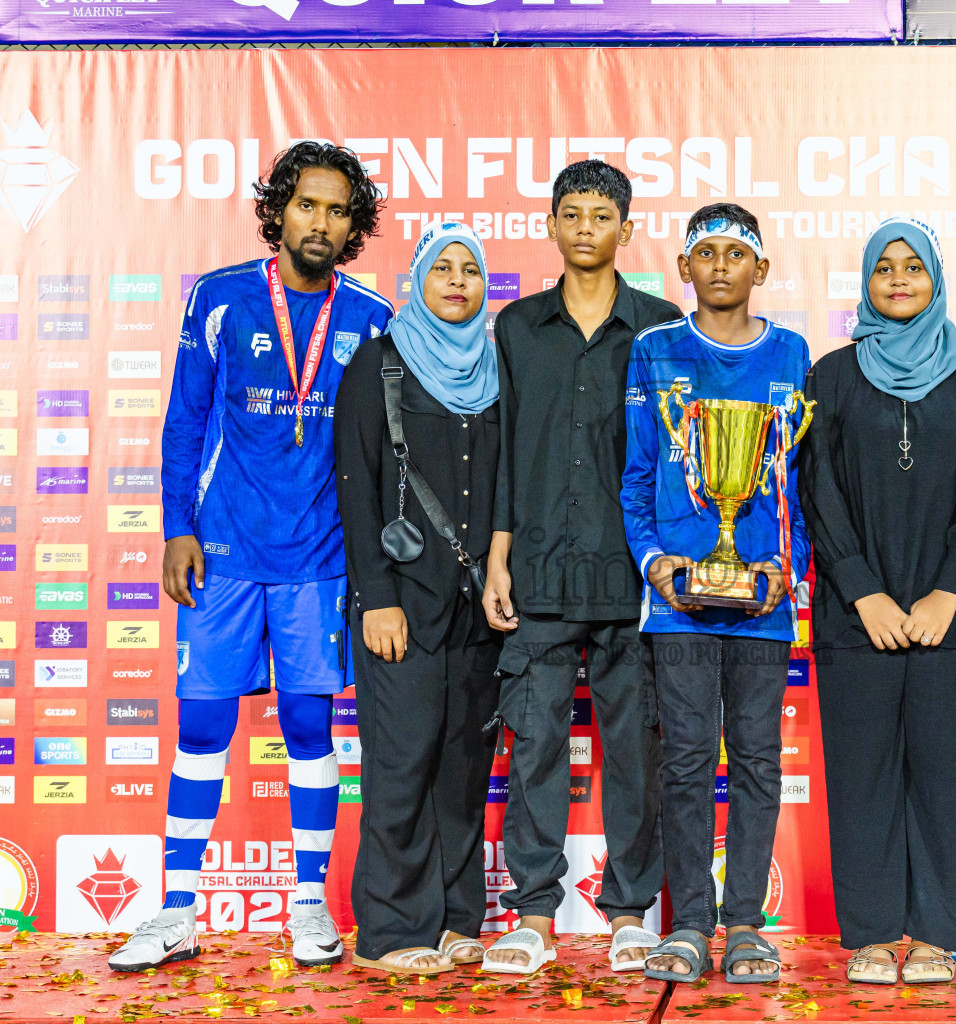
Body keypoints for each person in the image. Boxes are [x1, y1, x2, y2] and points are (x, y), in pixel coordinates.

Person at [109, 142, 391, 972]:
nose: (320, 223)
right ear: (278, 210)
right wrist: (176, 528)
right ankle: (176, 910)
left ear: (353, 225)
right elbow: (184, 420)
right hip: (224, 551)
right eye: (306, 205)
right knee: (202, 726)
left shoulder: (372, 316)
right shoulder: (220, 297)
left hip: (319, 554)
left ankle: (308, 904)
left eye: (337, 209)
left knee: (308, 726)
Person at [480, 160, 681, 975]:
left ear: (625, 229)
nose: (586, 227)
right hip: (536, 571)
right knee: (534, 747)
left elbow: (678, 460)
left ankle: (630, 912)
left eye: (602, 214)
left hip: (635, 577)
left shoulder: (662, 328)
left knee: (635, 750)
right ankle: (532, 915)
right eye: (572, 213)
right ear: (552, 226)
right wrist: (497, 558)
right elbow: (500, 451)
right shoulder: (517, 327)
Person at [802, 219, 956, 986]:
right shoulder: (829, 376)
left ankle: (934, 935)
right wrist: (862, 591)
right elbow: (817, 490)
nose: (898, 278)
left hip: (954, 618)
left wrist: (946, 590)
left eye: (913, 266)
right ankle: (868, 934)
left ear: (935, 278)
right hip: (854, 616)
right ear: (866, 281)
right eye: (883, 267)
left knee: (947, 777)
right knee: (861, 777)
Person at [623, 204, 810, 984]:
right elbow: (636, 476)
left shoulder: (791, 353)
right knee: (687, 762)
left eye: (738, 254)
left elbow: (800, 487)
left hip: (762, 603)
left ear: (759, 269)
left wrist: (783, 569)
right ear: (684, 268)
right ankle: (689, 924)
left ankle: (745, 928)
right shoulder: (654, 351)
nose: (722, 266)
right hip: (678, 604)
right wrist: (654, 562)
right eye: (707, 253)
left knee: (759, 761)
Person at [334, 222, 502, 974]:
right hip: (401, 603)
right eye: (444, 268)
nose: (458, 281)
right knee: (401, 766)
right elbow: (355, 486)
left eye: (471, 269)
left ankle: (456, 918)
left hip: (477, 608)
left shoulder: (495, 370)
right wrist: (375, 596)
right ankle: (394, 928)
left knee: (462, 771)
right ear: (418, 279)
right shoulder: (379, 363)